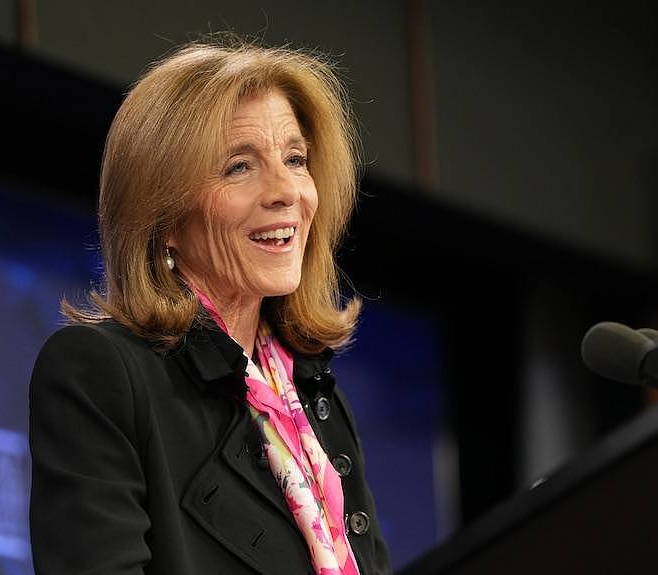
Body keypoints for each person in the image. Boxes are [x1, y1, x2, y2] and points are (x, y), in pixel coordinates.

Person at [29, 37, 393, 575]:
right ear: (165, 218)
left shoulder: (313, 397)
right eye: (239, 168)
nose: (286, 191)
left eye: (295, 159)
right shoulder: (101, 373)